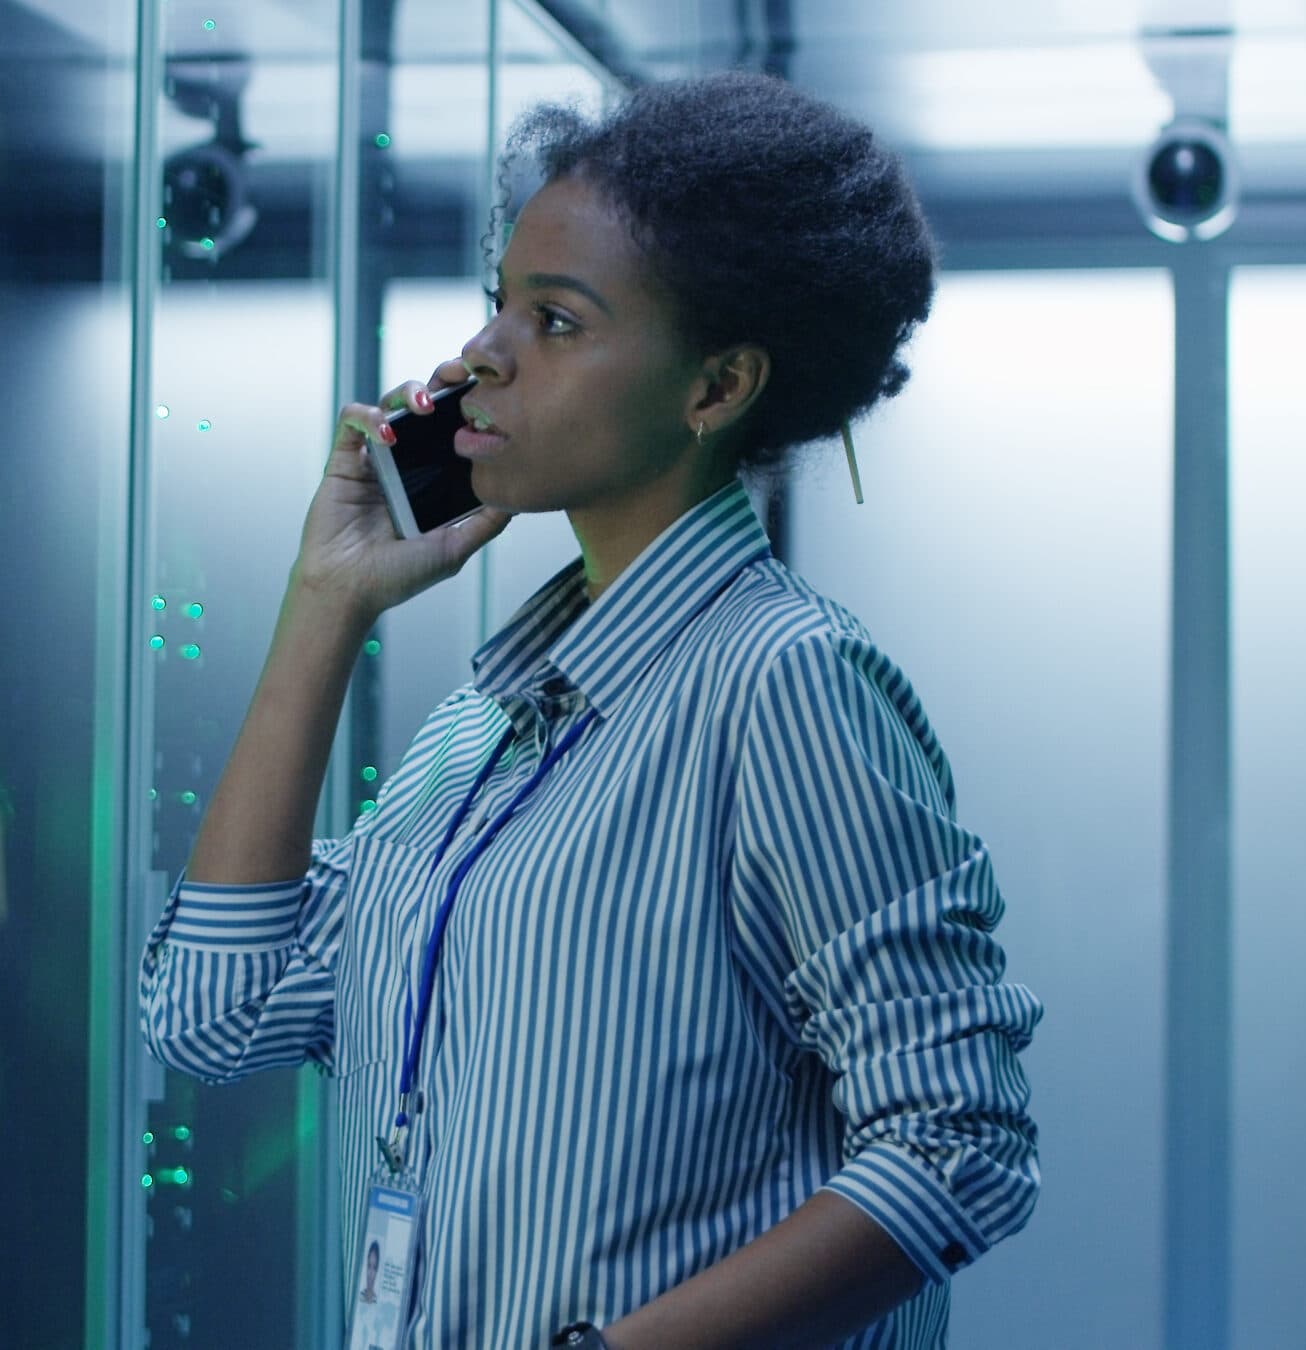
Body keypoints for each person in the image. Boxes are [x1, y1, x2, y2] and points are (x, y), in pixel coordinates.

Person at [140, 71, 1041, 1350]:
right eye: (498, 305)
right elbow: (211, 1013)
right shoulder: (482, 724)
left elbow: (959, 1141)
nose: (478, 360)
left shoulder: (781, 682)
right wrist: (323, 603)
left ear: (715, 387)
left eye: (555, 322)